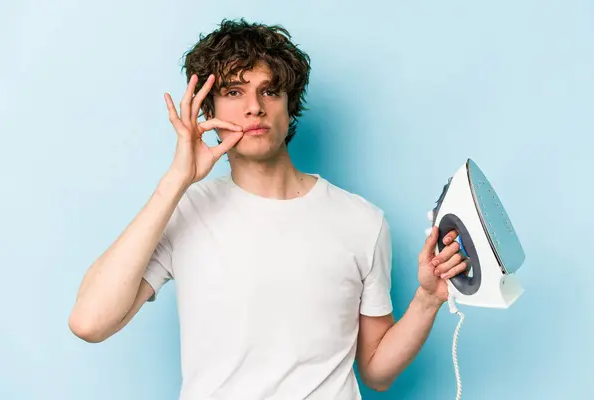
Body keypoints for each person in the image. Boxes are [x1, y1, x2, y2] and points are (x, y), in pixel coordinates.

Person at [68, 18, 466, 399]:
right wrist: (177, 181)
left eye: (270, 91)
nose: (254, 107)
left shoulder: (362, 221)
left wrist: (427, 299)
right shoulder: (185, 209)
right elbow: (89, 322)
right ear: (207, 112)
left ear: (289, 106)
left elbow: (377, 372)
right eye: (234, 92)